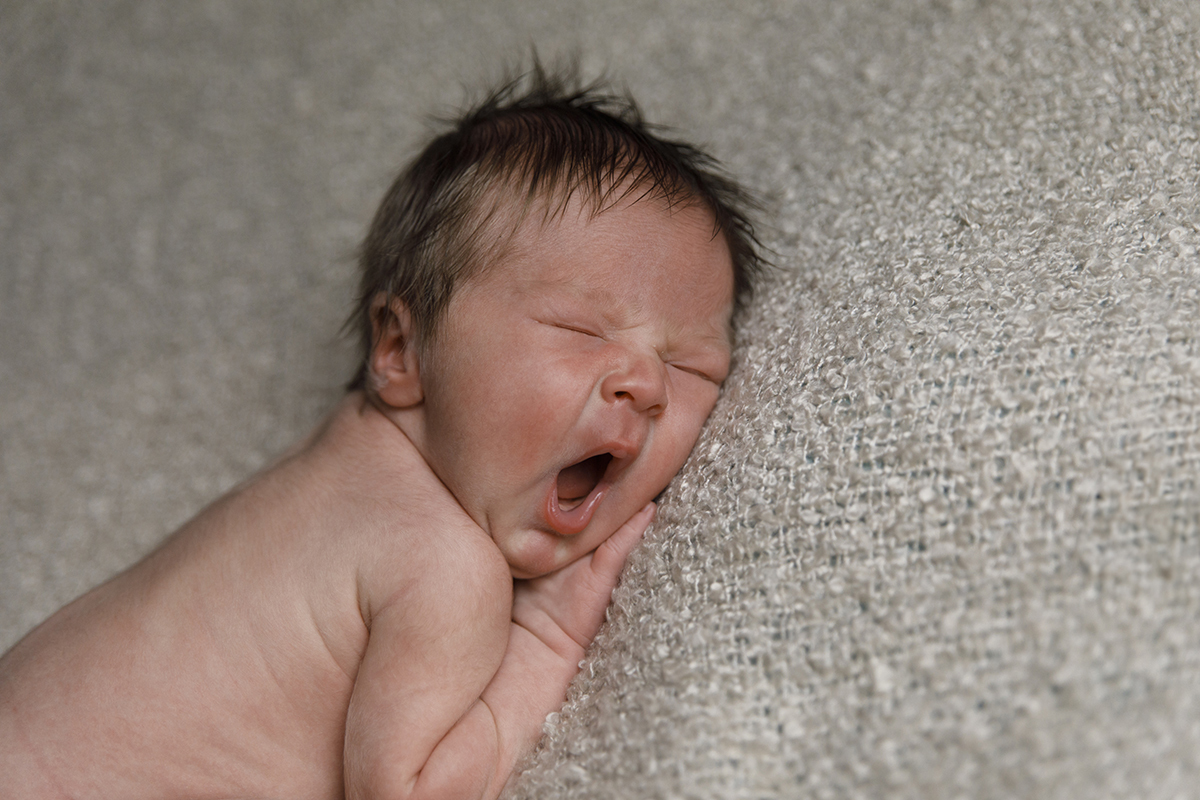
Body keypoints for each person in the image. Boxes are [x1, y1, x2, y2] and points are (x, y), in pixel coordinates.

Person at [0, 63, 762, 799]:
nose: (647, 384)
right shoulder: (442, 566)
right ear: (400, 350)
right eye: (579, 327)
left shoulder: (338, 467)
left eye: (692, 366)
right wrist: (545, 641)